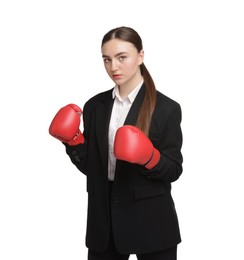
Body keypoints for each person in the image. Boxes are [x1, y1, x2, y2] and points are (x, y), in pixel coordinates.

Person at [49, 26, 183, 260]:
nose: (113, 67)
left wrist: (149, 157)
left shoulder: (166, 109)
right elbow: (93, 168)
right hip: (104, 221)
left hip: (151, 221)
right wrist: (74, 142)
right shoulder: (94, 106)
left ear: (140, 56)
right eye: (107, 59)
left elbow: (173, 169)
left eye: (122, 57)